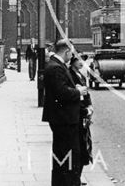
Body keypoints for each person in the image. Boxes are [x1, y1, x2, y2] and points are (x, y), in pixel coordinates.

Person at [42, 39, 87, 186]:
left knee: (63, 158)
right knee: (68, 158)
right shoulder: (56, 67)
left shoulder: (56, 65)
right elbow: (61, 93)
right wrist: (78, 91)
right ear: (67, 51)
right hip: (64, 120)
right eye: (71, 52)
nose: (72, 56)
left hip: (62, 119)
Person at [69, 56, 93, 185]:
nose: (81, 63)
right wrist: (86, 110)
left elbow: (86, 93)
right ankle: (76, 178)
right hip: (78, 115)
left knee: (84, 147)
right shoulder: (71, 75)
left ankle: (78, 177)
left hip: (84, 113)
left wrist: (90, 106)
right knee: (80, 147)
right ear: (72, 62)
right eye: (79, 60)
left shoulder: (80, 75)